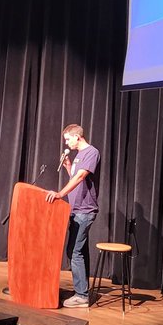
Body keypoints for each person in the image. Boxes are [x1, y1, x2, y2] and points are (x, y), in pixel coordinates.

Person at [45, 123, 100, 308]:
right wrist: (69, 166)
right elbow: (74, 177)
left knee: (74, 251)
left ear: (77, 136)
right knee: (79, 251)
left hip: (85, 210)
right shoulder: (77, 156)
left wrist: (60, 194)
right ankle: (81, 290)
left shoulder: (91, 152)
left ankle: (82, 296)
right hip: (76, 209)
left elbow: (80, 178)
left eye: (68, 139)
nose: (67, 143)